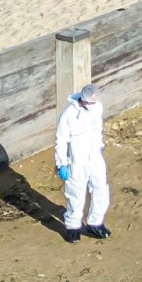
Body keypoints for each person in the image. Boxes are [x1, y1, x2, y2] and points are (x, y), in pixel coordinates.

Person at [54, 84, 112, 243]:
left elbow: (98, 129)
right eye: (91, 103)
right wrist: (62, 163)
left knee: (101, 188)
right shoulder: (69, 115)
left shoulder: (97, 108)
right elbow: (61, 140)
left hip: (95, 156)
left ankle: (95, 222)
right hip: (76, 160)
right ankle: (73, 226)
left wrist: (100, 147)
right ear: (83, 100)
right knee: (76, 193)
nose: (94, 105)